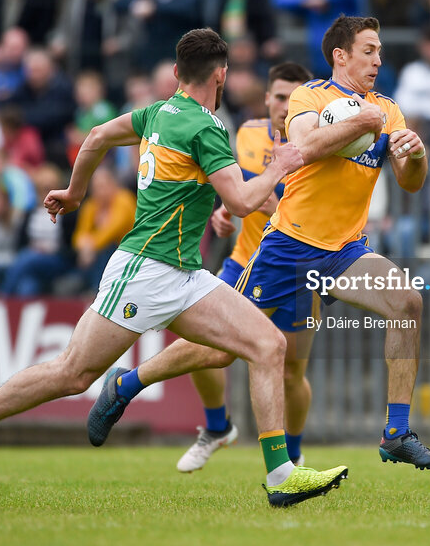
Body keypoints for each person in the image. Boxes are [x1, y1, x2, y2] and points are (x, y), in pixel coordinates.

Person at [0, 28, 348, 508]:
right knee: (72, 374)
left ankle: (281, 475)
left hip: (185, 275)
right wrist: (280, 165)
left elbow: (98, 135)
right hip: (146, 270)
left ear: (175, 74)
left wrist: (75, 191)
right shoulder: (206, 127)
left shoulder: (157, 113)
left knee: (267, 344)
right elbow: (243, 201)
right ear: (222, 75)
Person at [92, 16, 430, 470]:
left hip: (345, 250)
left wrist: (415, 154)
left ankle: (396, 431)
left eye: (379, 51)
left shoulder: (387, 109)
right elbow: (302, 146)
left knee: (407, 302)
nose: (379, 59)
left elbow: (411, 184)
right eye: (369, 50)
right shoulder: (310, 96)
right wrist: (360, 121)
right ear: (341, 56)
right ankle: (127, 384)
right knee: (221, 350)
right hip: (288, 245)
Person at [88, 62, 314, 471]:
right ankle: (213, 425)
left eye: (295, 99)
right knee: (215, 347)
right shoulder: (245, 133)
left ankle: (293, 456)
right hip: (247, 261)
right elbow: (232, 188)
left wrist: (275, 206)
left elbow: (321, 211)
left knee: (293, 371)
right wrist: (227, 213)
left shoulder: (315, 143)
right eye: (280, 97)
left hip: (300, 269)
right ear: (266, 99)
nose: (286, 106)